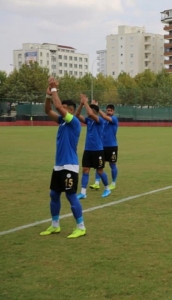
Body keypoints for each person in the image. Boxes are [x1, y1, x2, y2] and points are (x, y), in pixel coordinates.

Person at [40, 77, 86, 238]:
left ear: (71, 111)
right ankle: (55, 225)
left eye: (66, 109)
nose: (61, 110)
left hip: (69, 165)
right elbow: (48, 110)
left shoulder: (74, 122)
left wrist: (54, 89)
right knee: (54, 194)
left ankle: (81, 226)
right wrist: (48, 96)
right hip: (58, 165)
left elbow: (58, 106)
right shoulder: (62, 122)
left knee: (70, 195)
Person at [75, 95, 111, 199]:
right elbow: (77, 115)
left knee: (100, 171)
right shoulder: (89, 121)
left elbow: (90, 113)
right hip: (88, 150)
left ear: (94, 111)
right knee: (85, 170)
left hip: (98, 150)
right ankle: (83, 192)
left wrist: (85, 102)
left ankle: (107, 189)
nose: (87, 111)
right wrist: (81, 104)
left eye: (90, 109)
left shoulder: (100, 120)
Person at [90, 102, 119, 191]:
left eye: (110, 111)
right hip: (102, 146)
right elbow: (94, 116)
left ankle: (113, 183)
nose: (109, 112)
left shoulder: (114, 119)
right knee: (100, 165)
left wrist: (98, 108)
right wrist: (94, 108)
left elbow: (105, 117)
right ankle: (97, 183)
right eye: (108, 110)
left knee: (112, 164)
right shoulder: (102, 121)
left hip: (112, 146)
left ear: (113, 112)